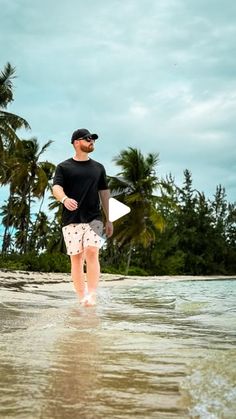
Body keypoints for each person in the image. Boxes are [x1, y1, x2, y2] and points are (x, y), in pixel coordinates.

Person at [52, 128, 113, 306]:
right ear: (76, 142)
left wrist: (109, 219)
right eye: (87, 139)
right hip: (71, 220)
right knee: (77, 258)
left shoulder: (99, 168)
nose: (91, 141)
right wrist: (64, 199)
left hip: (95, 218)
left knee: (93, 251)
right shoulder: (63, 167)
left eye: (93, 139)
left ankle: (92, 294)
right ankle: (81, 296)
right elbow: (56, 187)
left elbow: (104, 193)